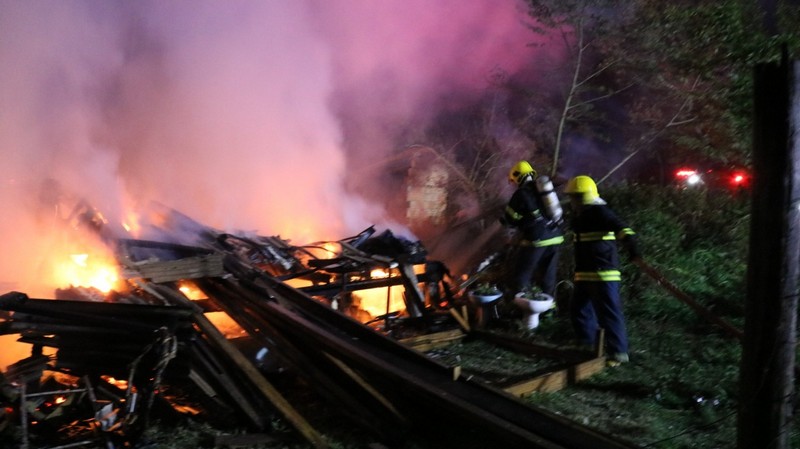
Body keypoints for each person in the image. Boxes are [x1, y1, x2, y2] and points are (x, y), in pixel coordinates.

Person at [564, 175, 640, 366]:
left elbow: (621, 228)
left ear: (584, 197)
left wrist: (631, 246)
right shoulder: (580, 216)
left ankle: (619, 353)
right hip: (584, 273)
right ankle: (586, 341)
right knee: (579, 310)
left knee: (609, 313)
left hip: (603, 273)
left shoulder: (600, 212)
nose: (572, 201)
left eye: (575, 197)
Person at [501, 161, 565, 297]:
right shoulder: (544, 190)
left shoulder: (521, 193)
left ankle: (522, 307)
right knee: (548, 276)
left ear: (518, 176)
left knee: (521, 276)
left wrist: (510, 221)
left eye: (514, 181)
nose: (514, 184)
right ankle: (548, 311)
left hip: (537, 239)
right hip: (556, 236)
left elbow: (511, 219)